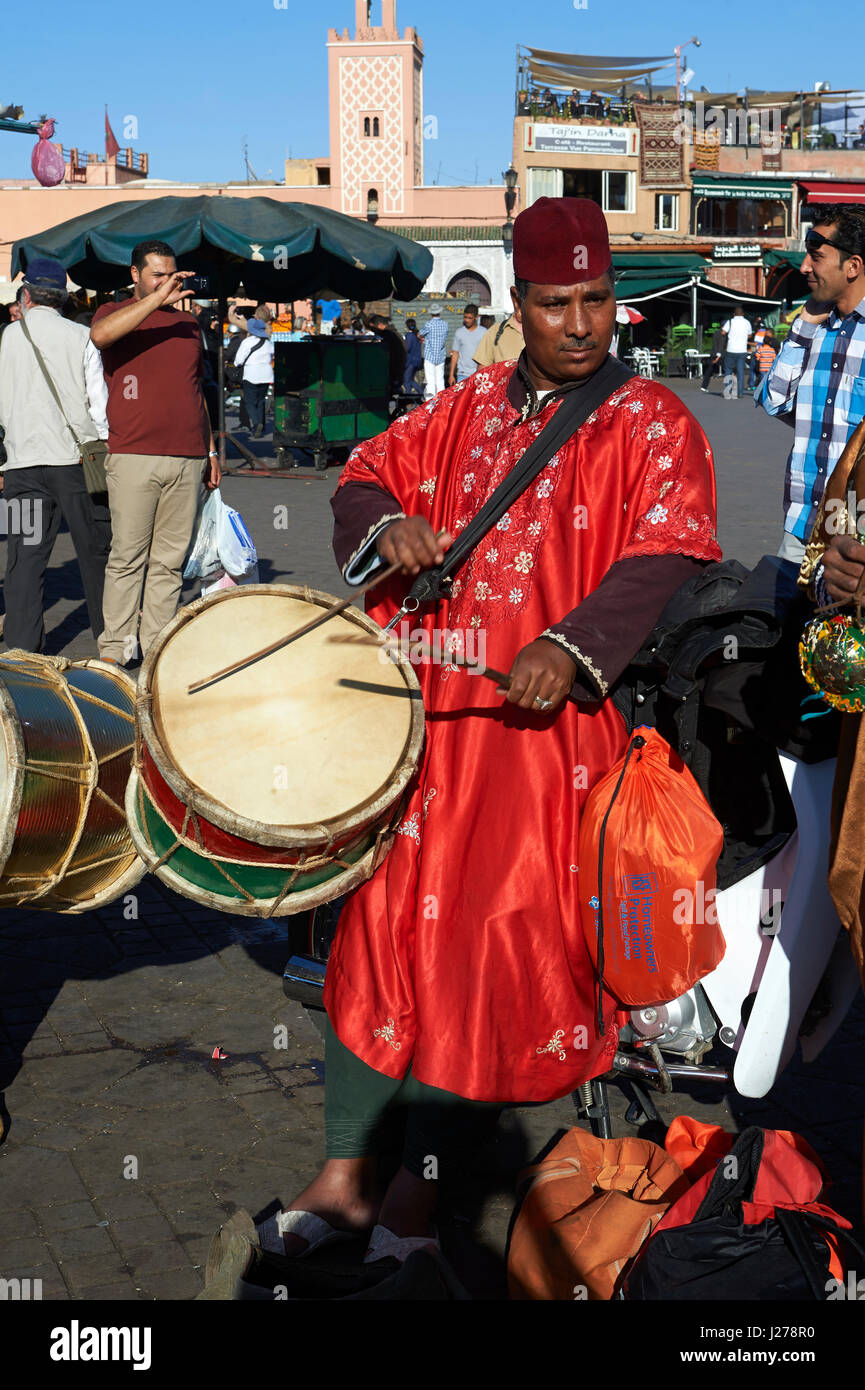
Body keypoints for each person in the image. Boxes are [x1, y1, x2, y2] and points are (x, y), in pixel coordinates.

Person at [246, 197, 721, 1265]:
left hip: (540, 750)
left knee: (477, 958)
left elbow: (667, 552)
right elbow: (364, 478)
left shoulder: (653, 424)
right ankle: (345, 1173)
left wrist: (574, 642)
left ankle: (417, 1200)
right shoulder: (455, 412)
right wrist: (384, 526)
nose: (581, 322)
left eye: (597, 299)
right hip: (426, 737)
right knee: (378, 942)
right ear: (519, 305)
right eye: (556, 303)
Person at [89, 239, 220, 666]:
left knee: (168, 563)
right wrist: (157, 301)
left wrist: (212, 451)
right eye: (156, 275)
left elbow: (194, 390)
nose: (165, 282)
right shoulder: (114, 314)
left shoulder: (188, 326)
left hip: (188, 456)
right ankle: (115, 651)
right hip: (133, 455)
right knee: (127, 557)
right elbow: (100, 336)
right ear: (135, 276)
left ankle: (157, 651)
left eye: (170, 274)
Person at [0, 257, 111, 653]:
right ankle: (109, 640)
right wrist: (101, 447)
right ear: (63, 299)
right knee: (94, 551)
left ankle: (22, 648)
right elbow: (99, 404)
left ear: (26, 296)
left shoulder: (6, 337)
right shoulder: (80, 336)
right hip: (76, 464)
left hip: (21, 467)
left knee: (24, 557)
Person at [758, 203, 865, 566]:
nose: (804, 267)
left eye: (816, 257)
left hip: (856, 532)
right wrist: (803, 325)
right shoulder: (816, 327)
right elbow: (776, 400)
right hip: (800, 526)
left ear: (853, 267)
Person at [233, 316, 274, 438]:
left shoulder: (247, 342)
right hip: (266, 375)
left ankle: (256, 424)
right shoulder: (268, 343)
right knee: (260, 401)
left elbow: (238, 361)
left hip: (251, 374)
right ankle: (261, 424)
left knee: (250, 401)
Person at [368, 314, 407, 397]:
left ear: (380, 325)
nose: (374, 331)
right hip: (398, 370)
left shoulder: (388, 335)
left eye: (373, 328)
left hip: (393, 371)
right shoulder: (395, 334)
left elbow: (388, 355)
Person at [447, 303, 485, 388]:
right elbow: (455, 354)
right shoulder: (459, 332)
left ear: (476, 317)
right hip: (462, 374)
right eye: (465, 317)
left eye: (470, 318)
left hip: (479, 375)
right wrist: (451, 375)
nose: (467, 320)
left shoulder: (484, 332)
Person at [721, 304, 752, 399]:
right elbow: (750, 335)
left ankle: (728, 391)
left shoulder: (730, 322)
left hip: (731, 349)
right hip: (742, 350)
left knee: (728, 371)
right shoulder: (747, 322)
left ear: (734, 314)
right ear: (743, 314)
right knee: (740, 372)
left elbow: (723, 332)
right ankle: (740, 393)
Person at [418, 303, 448, 399]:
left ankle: (430, 402)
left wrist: (424, 338)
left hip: (430, 355)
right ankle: (441, 401)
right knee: (440, 380)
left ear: (431, 313)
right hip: (441, 355)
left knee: (430, 381)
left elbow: (420, 334)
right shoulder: (445, 324)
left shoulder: (429, 324)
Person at [700, 322, 726, 393]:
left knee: (709, 370)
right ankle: (730, 387)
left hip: (713, 353)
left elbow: (715, 344)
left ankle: (704, 386)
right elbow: (721, 344)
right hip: (721, 355)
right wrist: (719, 355)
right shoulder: (723, 333)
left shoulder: (716, 332)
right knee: (728, 370)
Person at [402, 317, 423, 394]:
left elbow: (407, 348)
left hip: (410, 361)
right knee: (411, 379)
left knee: (406, 380)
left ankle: (408, 395)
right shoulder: (416, 335)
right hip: (417, 360)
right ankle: (420, 393)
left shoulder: (409, 335)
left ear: (407, 326)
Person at [748, 318, 767, 389]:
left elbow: (755, 344)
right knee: (764, 369)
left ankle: (752, 385)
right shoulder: (767, 332)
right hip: (766, 352)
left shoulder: (758, 333)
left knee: (752, 369)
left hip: (758, 353)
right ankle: (763, 385)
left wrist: (746, 342)